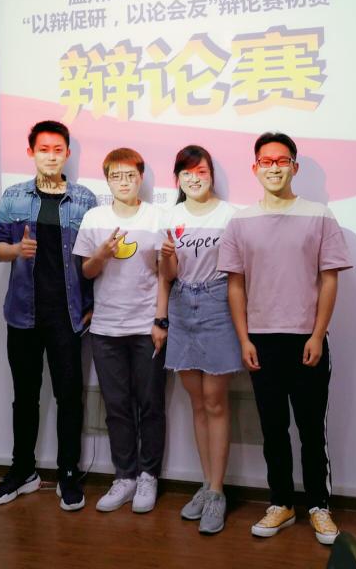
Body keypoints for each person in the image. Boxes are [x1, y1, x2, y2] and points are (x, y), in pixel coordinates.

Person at [217, 131, 353, 546]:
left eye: (281, 161)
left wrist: (317, 334)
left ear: (294, 167)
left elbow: (329, 280)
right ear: (255, 168)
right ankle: (281, 502)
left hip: (307, 341)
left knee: (311, 429)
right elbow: (235, 285)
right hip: (261, 341)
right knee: (273, 429)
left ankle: (318, 506)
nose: (273, 168)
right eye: (266, 161)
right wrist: (244, 339)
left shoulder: (319, 215)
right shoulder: (240, 221)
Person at [0, 120, 96, 511]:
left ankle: (68, 473)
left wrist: (91, 306)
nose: (51, 156)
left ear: (67, 154)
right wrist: (16, 251)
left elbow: (92, 259)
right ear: (31, 152)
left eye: (58, 149)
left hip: (67, 315)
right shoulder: (13, 196)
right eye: (44, 149)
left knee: (69, 397)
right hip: (23, 314)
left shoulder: (85, 199)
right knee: (25, 397)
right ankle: (23, 471)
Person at [73, 148, 166, 514]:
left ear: (141, 178)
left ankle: (149, 475)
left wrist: (160, 321)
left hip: (146, 327)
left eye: (130, 175)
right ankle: (124, 476)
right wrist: (102, 254)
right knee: (116, 406)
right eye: (116, 176)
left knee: (151, 404)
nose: (124, 182)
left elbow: (165, 275)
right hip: (105, 328)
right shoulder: (94, 217)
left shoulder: (156, 216)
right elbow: (86, 271)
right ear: (107, 180)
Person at [155, 145, 241, 535]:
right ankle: (207, 486)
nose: (194, 178)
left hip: (217, 304)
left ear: (211, 175)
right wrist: (161, 318)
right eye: (187, 173)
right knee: (197, 404)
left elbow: (239, 275)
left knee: (215, 401)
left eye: (201, 171)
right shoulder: (170, 217)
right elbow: (167, 276)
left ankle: (218, 492)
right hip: (181, 306)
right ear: (178, 179)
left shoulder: (230, 216)